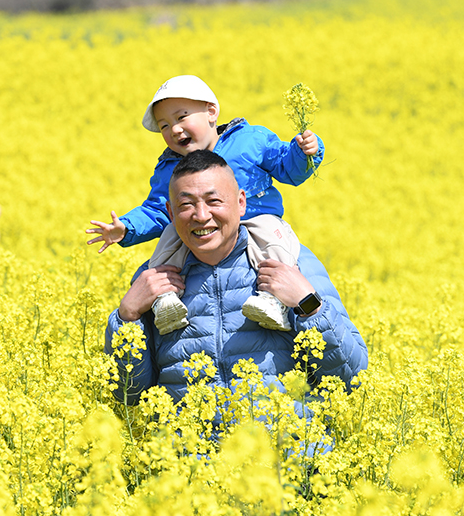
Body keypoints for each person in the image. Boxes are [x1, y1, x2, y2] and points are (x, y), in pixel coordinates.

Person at [104, 150, 368, 407]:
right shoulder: (154, 279)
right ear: (171, 214)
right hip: (185, 438)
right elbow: (127, 397)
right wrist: (127, 318)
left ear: (241, 203)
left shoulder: (290, 260)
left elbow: (352, 379)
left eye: (214, 201)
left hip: (284, 436)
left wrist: (309, 305)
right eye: (186, 205)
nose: (201, 216)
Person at [87, 74, 323, 333]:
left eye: (181, 117)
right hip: (201, 235)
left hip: (257, 221)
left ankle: (272, 301)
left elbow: (287, 168)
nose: (174, 129)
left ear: (211, 112)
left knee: (275, 241)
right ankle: (165, 301)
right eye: (164, 126)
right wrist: (127, 228)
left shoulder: (249, 140)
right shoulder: (169, 168)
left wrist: (304, 151)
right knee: (169, 238)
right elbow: (157, 210)